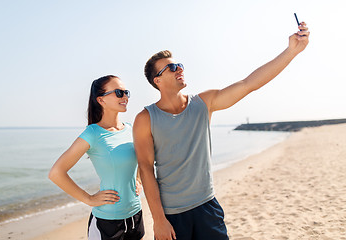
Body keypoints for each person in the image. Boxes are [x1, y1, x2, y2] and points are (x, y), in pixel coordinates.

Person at [133, 23, 310, 240]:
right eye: (171, 67)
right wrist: (159, 220)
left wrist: (291, 51)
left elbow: (249, 84)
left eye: (179, 65)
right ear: (157, 81)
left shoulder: (203, 103)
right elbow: (146, 169)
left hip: (208, 207)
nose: (179, 69)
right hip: (172, 215)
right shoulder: (145, 119)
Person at [49, 75, 145, 240]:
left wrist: (138, 179)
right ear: (101, 100)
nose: (125, 97)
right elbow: (56, 173)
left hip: (136, 215)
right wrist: (89, 199)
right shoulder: (93, 133)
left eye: (126, 92)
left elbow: (141, 160)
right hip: (107, 223)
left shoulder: (130, 129)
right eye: (118, 92)